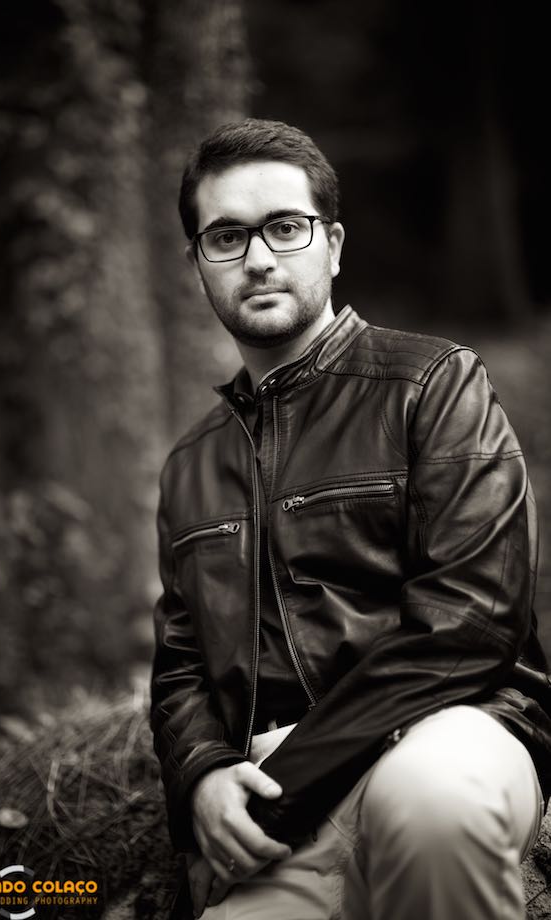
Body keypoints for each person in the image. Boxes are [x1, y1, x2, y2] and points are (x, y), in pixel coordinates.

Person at [150, 118, 551, 920]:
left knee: (435, 804)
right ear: (198, 267)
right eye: (225, 237)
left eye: (284, 229)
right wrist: (199, 777)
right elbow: (181, 661)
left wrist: (291, 778)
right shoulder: (189, 464)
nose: (257, 258)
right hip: (280, 814)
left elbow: (472, 622)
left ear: (332, 245)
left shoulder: (433, 383)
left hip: (449, 735)